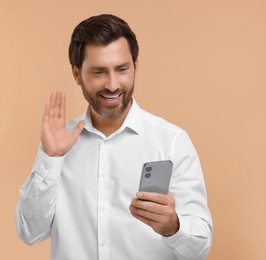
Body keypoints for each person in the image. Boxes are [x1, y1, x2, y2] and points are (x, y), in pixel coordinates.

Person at [15, 14, 213, 260]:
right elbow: (29, 232)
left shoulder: (171, 141)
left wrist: (174, 227)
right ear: (77, 74)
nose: (112, 85)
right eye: (99, 72)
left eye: (122, 69)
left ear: (136, 67)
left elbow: (200, 249)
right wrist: (50, 157)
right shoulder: (58, 142)